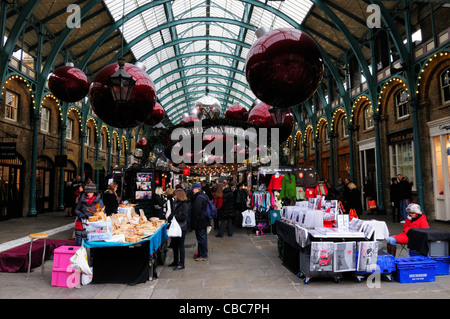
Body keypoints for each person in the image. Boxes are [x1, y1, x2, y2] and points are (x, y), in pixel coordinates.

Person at [167, 188, 190, 270]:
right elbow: (172, 213)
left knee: (181, 246)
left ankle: (182, 263)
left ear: (179, 195)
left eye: (175, 195)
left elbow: (183, 217)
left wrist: (174, 216)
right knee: (174, 245)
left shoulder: (185, 205)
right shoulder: (175, 203)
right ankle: (175, 261)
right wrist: (170, 217)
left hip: (181, 227)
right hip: (175, 227)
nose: (174, 196)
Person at [190, 183, 210, 261]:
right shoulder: (203, 196)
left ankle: (203, 255)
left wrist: (193, 222)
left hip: (200, 221)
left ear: (197, 189)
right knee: (201, 238)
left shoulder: (199, 198)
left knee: (201, 238)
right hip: (203, 220)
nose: (193, 191)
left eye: (194, 189)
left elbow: (196, 211)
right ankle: (200, 253)